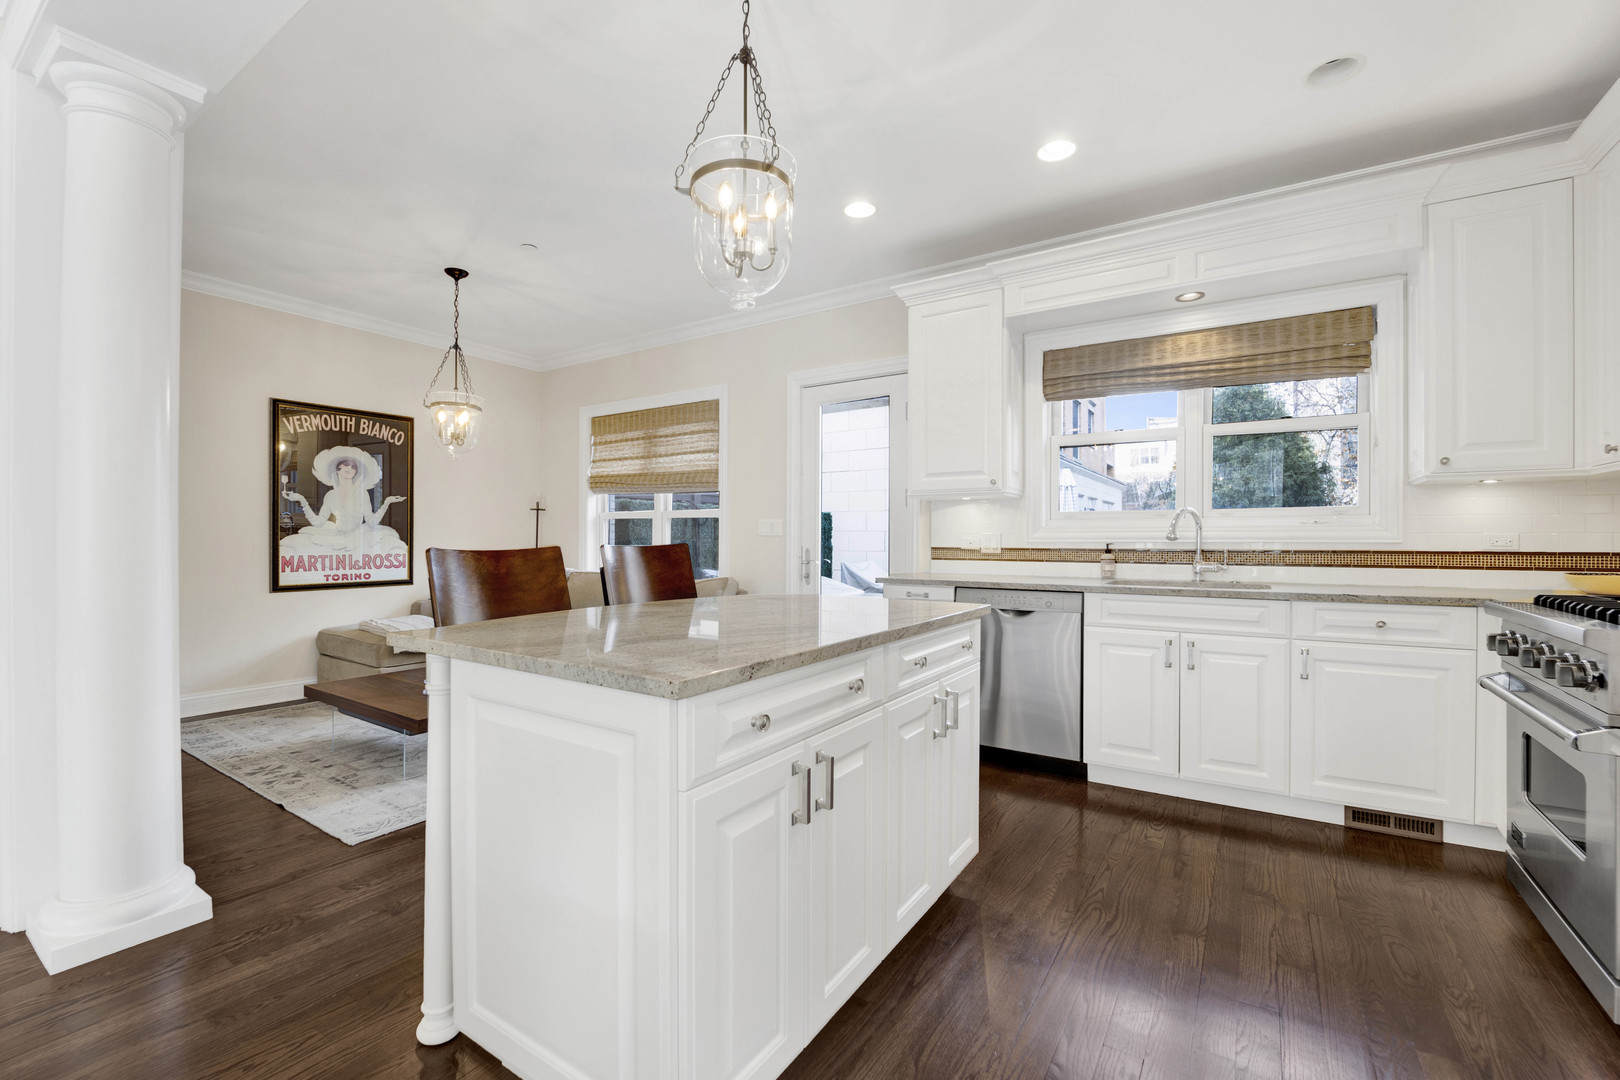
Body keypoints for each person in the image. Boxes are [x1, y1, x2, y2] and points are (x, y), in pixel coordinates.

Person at [280, 446, 407, 560]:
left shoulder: (362, 493)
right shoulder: (331, 495)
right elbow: (318, 522)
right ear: (337, 470)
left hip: (359, 537)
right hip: (335, 537)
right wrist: (302, 500)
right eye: (346, 465)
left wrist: (386, 503)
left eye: (353, 467)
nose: (349, 469)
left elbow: (371, 521)